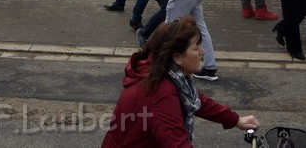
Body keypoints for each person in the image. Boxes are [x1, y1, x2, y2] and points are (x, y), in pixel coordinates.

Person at [101, 16, 258, 147]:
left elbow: (195, 99)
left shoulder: (167, 75)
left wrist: (236, 120)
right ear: (177, 57)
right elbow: (176, 142)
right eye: (196, 48)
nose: (202, 51)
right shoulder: (159, 92)